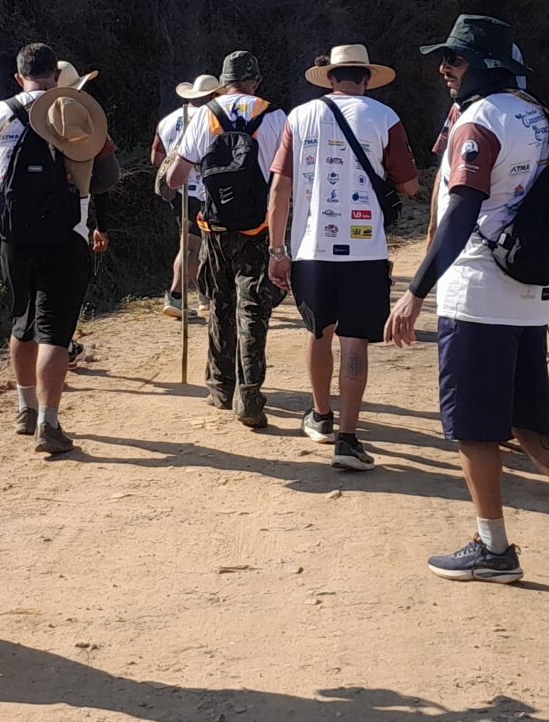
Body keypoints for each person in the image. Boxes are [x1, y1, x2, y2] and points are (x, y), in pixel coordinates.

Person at [385, 15, 549, 585]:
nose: (444, 69)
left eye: (454, 59)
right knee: (527, 416)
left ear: (486, 64)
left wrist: (415, 291)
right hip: (527, 291)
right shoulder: (545, 116)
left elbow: (462, 210)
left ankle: (493, 548)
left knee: (473, 426)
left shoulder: (479, 121)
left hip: (478, 290)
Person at [265, 44, 423, 471]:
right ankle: (348, 440)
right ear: (367, 78)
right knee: (354, 342)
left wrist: (277, 251)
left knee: (319, 333)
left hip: (310, 248)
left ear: (330, 77)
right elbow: (409, 185)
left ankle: (320, 416)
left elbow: (280, 188)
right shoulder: (385, 118)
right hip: (366, 250)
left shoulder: (299, 117)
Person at [0, 44, 118, 456]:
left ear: (19, 77)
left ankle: (24, 409)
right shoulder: (75, 109)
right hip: (68, 235)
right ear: (56, 75)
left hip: (13, 236)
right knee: (55, 334)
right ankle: (49, 423)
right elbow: (108, 175)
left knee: (22, 322)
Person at [166, 50, 287, 429]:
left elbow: (174, 179)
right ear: (256, 82)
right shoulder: (275, 116)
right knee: (253, 309)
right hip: (259, 229)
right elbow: (288, 178)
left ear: (222, 84)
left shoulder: (205, 114)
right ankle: (249, 396)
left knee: (219, 304)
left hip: (214, 229)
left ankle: (220, 387)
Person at [152, 72, 221, 321]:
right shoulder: (212, 119)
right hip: (202, 191)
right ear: (214, 95)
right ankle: (176, 296)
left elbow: (156, 158)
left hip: (178, 191)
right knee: (192, 247)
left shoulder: (168, 120)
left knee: (193, 244)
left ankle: (203, 295)